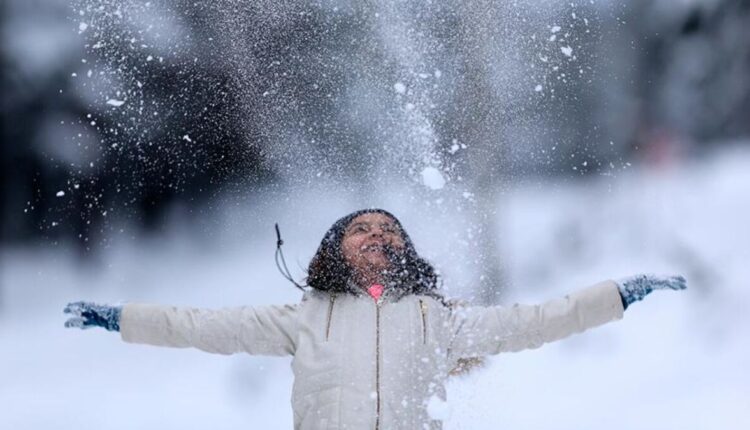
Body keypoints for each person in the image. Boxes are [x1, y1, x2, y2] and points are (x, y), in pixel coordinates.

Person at [64, 208, 687, 430]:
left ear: (405, 250)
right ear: (335, 248)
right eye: (361, 228)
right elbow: (198, 325)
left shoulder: (437, 321)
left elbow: (536, 321)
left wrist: (618, 295)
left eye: (389, 230)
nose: (376, 235)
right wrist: (121, 318)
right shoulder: (303, 317)